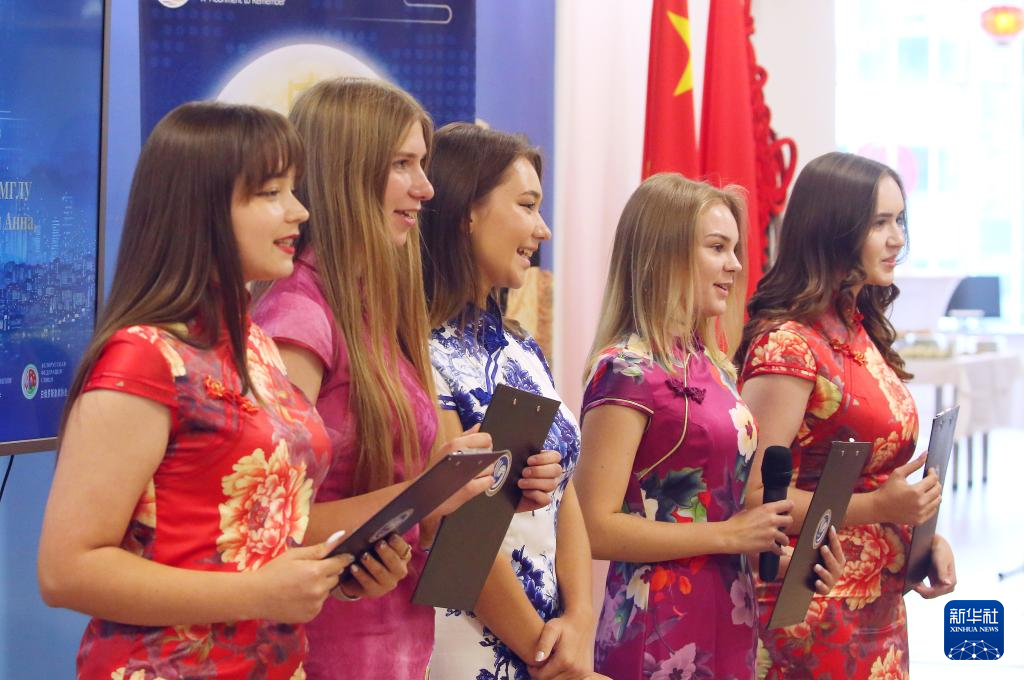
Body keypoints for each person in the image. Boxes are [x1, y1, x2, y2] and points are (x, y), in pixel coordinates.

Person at [251, 79, 554, 679]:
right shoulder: (299, 317)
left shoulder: (374, 310)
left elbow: (400, 508)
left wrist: (465, 485)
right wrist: (426, 492)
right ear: (348, 172)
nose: (426, 187)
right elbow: (266, 523)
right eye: (402, 165)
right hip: (319, 653)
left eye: (422, 164)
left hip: (394, 645)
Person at [37, 101, 350, 679]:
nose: (299, 210)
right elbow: (66, 570)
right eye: (271, 192)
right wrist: (259, 593)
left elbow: (251, 541)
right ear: (200, 209)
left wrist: (334, 573)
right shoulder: (143, 357)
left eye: (293, 189)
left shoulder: (254, 341)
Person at [574, 174, 845, 680]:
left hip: (729, 608)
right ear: (666, 254)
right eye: (718, 248)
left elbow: (721, 512)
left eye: (734, 249)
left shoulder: (713, 364)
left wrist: (779, 557)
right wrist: (729, 535)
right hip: (658, 623)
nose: (736, 265)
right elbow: (594, 526)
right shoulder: (626, 369)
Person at [739, 151, 957, 678]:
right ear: (833, 228)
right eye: (879, 223)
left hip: (876, 605)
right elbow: (753, 499)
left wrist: (920, 540)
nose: (898, 238)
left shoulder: (859, 330)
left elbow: (873, 479)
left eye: (899, 220)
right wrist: (879, 506)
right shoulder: (789, 345)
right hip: (810, 605)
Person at [420, 122, 599, 679]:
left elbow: (564, 492)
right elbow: (456, 535)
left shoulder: (521, 347)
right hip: (472, 646)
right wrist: (547, 657)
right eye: (526, 205)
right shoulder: (419, 350)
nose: (543, 229)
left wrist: (580, 618)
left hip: (551, 645)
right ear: (466, 211)